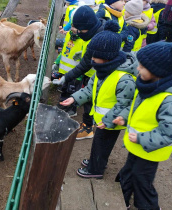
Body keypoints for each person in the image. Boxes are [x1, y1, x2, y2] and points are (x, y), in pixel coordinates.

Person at [60, 21, 137, 178]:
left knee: (102, 145)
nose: (92, 59)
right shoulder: (102, 71)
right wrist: (74, 99)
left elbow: (124, 104)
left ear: (107, 57)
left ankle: (96, 170)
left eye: (96, 56)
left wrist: (109, 120)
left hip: (111, 122)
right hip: (102, 120)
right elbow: (89, 90)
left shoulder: (124, 79)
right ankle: (96, 161)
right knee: (99, 145)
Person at [113, 42, 172, 209]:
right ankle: (122, 198)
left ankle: (148, 206)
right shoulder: (148, 86)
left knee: (142, 180)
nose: (137, 69)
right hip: (138, 145)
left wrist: (142, 138)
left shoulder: (170, 101)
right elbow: (138, 110)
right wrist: (124, 118)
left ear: (158, 71)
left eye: (142, 67)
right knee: (129, 171)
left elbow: (168, 133)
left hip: (150, 149)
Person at [53, 5, 107, 139]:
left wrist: (65, 77)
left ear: (87, 27)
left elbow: (84, 65)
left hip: (98, 74)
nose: (79, 34)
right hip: (92, 72)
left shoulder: (99, 40)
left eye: (80, 31)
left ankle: (89, 128)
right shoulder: (96, 29)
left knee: (91, 99)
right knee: (88, 96)